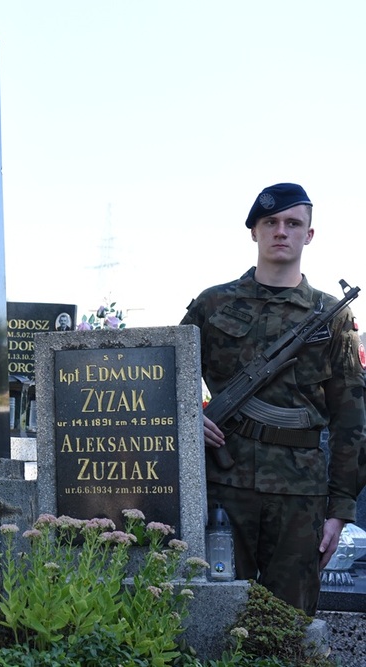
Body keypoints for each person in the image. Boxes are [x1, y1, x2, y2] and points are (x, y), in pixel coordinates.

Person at [181, 182, 366, 616]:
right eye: (270, 223)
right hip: (222, 487)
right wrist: (185, 417)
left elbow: (351, 417)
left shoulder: (332, 316)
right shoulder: (212, 305)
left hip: (300, 495)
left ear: (309, 234)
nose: (281, 231)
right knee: (219, 616)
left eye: (292, 223)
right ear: (254, 232)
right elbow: (167, 377)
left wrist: (339, 510)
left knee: (291, 624)